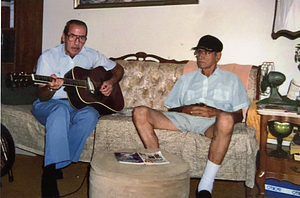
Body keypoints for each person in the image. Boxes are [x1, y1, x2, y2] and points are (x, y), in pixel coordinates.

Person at [132, 35, 249, 198]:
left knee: (226, 118)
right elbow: (172, 108)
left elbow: (239, 116)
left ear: (218, 56)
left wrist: (216, 112)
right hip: (184, 119)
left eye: (207, 52)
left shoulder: (232, 80)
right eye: (199, 52)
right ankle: (159, 172)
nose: (201, 56)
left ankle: (205, 186)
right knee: (139, 111)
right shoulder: (187, 79)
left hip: (211, 123)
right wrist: (184, 109)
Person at [31, 19, 124, 198]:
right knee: (60, 112)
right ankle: (49, 174)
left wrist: (110, 82)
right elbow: (41, 95)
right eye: (73, 36)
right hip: (49, 103)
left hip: (77, 104)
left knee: (90, 114)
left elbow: (118, 69)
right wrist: (50, 87)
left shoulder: (91, 55)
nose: (77, 42)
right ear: (64, 37)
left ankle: (56, 164)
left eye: (81, 38)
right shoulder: (48, 57)